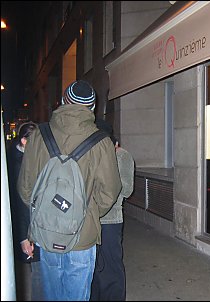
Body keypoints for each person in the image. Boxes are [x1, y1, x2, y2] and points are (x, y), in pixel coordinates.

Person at [17, 80, 122, 301]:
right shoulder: (102, 142)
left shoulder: (38, 135)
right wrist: (89, 212)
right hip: (82, 235)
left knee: (52, 294)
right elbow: (110, 191)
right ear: (92, 108)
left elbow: (25, 189)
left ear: (63, 102)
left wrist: (48, 211)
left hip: (46, 233)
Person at [90, 119, 135, 301]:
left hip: (110, 220)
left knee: (111, 264)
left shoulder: (121, 156)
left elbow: (126, 189)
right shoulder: (91, 154)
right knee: (93, 266)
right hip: (90, 220)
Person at [6, 121, 44, 301]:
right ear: (23, 141)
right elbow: (18, 204)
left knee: (39, 271)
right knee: (36, 273)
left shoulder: (28, 158)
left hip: (37, 224)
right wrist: (24, 237)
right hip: (28, 227)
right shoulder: (16, 164)